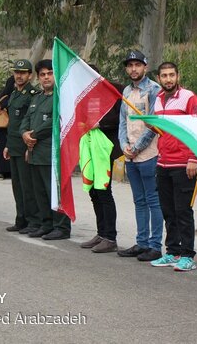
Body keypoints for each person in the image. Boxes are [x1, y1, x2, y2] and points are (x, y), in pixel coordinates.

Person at [148, 62, 197, 271]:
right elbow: (162, 130)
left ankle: (188, 255)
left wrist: (193, 158)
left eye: (171, 75)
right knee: (168, 210)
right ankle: (172, 251)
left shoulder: (189, 97)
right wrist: (150, 124)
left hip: (183, 163)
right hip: (162, 162)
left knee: (183, 211)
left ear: (178, 76)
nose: (168, 79)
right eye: (164, 75)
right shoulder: (159, 99)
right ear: (159, 78)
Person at [116, 50, 163, 262]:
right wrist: (124, 145)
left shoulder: (154, 90)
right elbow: (122, 122)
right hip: (130, 155)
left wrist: (137, 148)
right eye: (130, 65)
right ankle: (141, 242)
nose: (133, 69)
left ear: (145, 67)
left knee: (153, 200)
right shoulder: (126, 91)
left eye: (137, 65)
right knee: (139, 201)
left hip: (149, 153)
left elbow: (154, 124)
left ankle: (155, 245)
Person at [22, 59, 71, 240]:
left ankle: (61, 226)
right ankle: (46, 224)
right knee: (40, 192)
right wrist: (24, 134)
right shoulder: (37, 98)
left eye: (50, 73)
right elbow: (25, 120)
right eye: (42, 74)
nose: (46, 77)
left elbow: (54, 122)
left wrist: (33, 134)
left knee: (54, 191)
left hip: (51, 153)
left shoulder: (60, 98)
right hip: (35, 152)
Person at [79, 64, 124, 253]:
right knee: (93, 191)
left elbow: (122, 117)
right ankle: (101, 232)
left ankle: (110, 237)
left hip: (106, 147)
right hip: (88, 146)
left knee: (104, 190)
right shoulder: (81, 93)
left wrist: (101, 123)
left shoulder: (114, 89)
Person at [3, 59, 39, 233]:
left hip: (26, 146)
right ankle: (21, 219)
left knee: (27, 187)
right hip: (14, 146)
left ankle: (32, 221)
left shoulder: (33, 94)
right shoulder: (14, 94)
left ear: (30, 75)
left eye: (23, 73)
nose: (19, 76)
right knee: (17, 186)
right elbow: (13, 122)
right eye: (17, 72)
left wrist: (29, 147)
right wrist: (8, 145)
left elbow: (32, 122)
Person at [0, 76, 14, 179]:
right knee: (6, 147)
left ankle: (0, 170)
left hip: (0, 126)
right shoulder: (10, 96)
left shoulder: (2, 96)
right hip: (6, 126)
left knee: (2, 146)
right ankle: (5, 170)